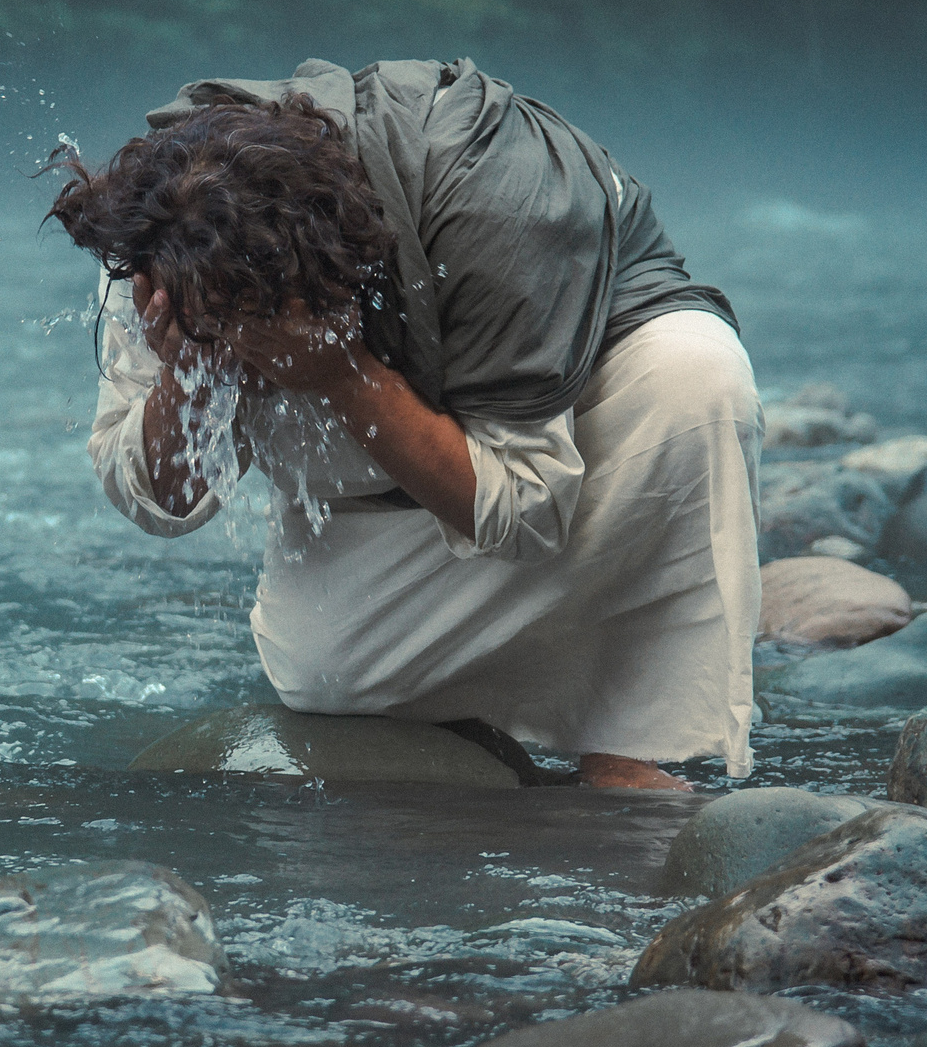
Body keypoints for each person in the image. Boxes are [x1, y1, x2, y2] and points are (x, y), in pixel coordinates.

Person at [48, 57, 761, 789]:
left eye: (242, 329)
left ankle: (635, 741)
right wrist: (193, 369)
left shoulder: (499, 198)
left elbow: (527, 509)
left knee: (699, 373)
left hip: (584, 406)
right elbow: (156, 502)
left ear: (326, 276)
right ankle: (468, 717)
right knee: (326, 677)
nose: (231, 350)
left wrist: (340, 370)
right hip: (391, 478)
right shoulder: (169, 226)